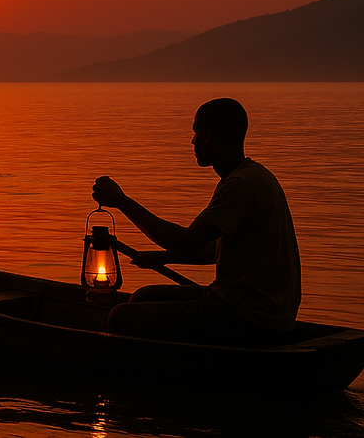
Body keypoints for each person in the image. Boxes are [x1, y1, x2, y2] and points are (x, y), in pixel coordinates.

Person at [91, 97, 301, 346]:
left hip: (247, 316)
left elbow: (186, 242)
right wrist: (164, 257)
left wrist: (123, 202)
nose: (192, 140)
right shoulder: (253, 175)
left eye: (195, 132)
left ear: (208, 136)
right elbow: (215, 250)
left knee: (120, 317)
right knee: (142, 296)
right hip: (255, 307)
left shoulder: (240, 185)